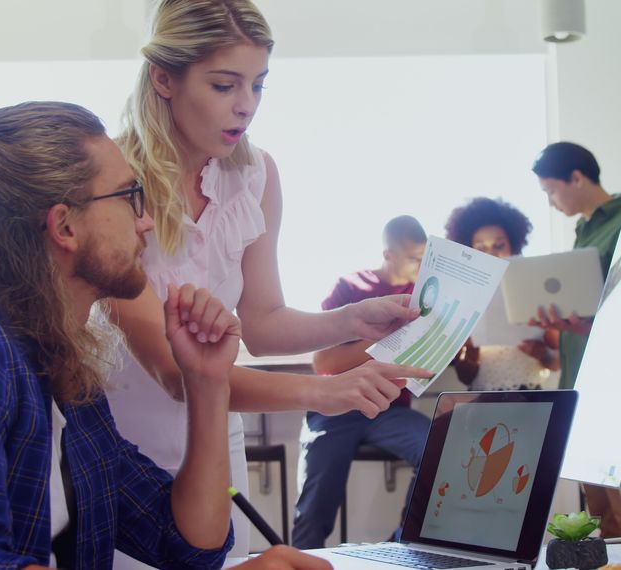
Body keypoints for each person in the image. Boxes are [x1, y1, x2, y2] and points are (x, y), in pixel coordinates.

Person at [0, 101, 328, 570]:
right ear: (64, 227)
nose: (147, 223)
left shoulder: (61, 369)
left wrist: (208, 382)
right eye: (131, 197)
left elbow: (187, 545)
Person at [108, 0, 429, 560]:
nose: (247, 105)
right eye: (224, 85)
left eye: (258, 85)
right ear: (163, 78)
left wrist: (351, 320)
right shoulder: (112, 182)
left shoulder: (255, 175)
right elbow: (178, 375)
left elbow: (261, 323)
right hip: (123, 445)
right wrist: (324, 392)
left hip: (215, 442)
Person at [292, 215, 432, 549]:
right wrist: (387, 339)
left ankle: (400, 548)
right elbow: (324, 362)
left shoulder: (420, 297)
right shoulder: (349, 288)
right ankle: (301, 558)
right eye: (415, 259)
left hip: (388, 409)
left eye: (425, 259)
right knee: (315, 505)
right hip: (336, 408)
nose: (421, 267)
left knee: (436, 450)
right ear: (388, 255)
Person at [531, 141, 621, 538]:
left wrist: (587, 325)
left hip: (615, 384)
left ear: (576, 178)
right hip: (581, 380)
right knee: (598, 505)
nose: (551, 202)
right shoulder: (585, 229)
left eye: (551, 190)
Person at [443, 197, 560, 391]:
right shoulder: (464, 300)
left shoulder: (535, 291)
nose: (491, 255)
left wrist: (541, 355)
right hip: (483, 398)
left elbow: (556, 364)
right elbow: (465, 377)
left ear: (513, 246)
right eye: (481, 248)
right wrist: (469, 351)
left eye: (499, 246)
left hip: (531, 397)